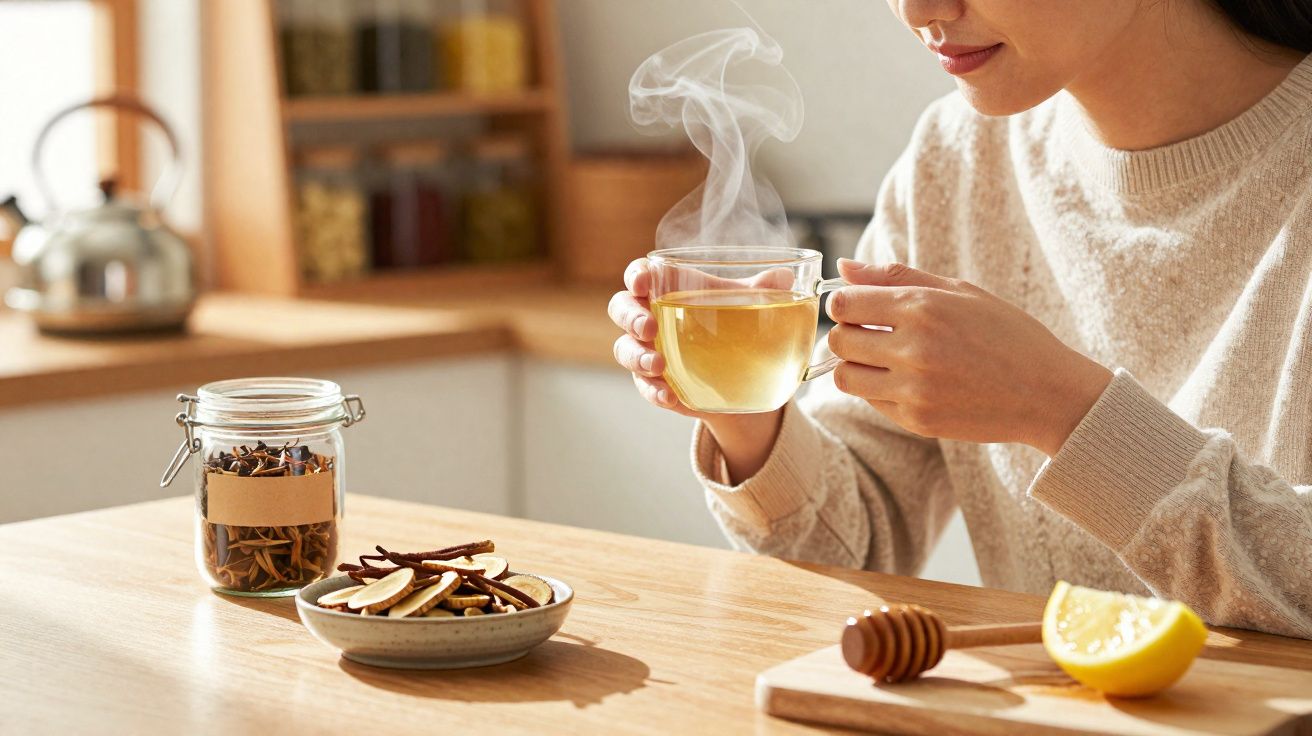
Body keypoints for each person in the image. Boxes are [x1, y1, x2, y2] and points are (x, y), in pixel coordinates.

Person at [608, 0, 1312, 638]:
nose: (920, 10)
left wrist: (1062, 411)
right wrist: (747, 416)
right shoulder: (957, 156)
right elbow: (853, 551)